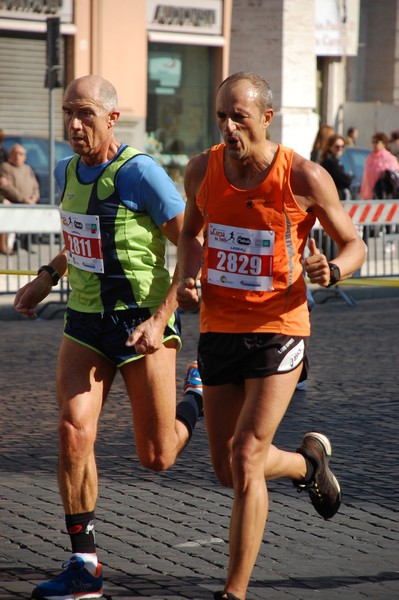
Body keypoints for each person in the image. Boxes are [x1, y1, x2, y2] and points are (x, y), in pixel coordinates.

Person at [177, 71, 366, 600]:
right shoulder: (202, 171)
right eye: (221, 116)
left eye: (239, 116)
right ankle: (308, 464)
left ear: (266, 117)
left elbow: (353, 242)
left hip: (279, 327)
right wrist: (186, 282)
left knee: (245, 454)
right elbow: (190, 236)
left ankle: (233, 592)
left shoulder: (302, 176)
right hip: (219, 326)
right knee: (226, 468)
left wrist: (336, 268)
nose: (228, 126)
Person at [13, 75, 203, 600]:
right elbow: (82, 238)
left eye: (86, 114)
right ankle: (85, 564)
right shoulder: (65, 169)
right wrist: (46, 277)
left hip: (143, 323)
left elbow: (192, 245)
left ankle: (197, 396)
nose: (74, 124)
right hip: (86, 321)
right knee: (73, 431)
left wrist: (162, 315)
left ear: (112, 118)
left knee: (157, 456)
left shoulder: (141, 174)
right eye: (69, 112)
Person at [0, 143, 40, 254]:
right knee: (10, 228)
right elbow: (8, 187)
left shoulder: (27, 168)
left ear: (25, 156)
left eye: (21, 154)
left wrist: (34, 197)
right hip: (14, 203)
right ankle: (8, 247)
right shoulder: (5, 167)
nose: (18, 156)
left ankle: (26, 245)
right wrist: (24, 199)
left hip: (29, 204)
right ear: (10, 155)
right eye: (15, 153)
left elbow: (35, 185)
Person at [360, 132, 399, 199]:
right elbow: (365, 178)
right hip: (369, 195)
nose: (374, 145)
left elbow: (394, 177)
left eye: (377, 142)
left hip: (384, 195)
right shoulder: (369, 158)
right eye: (373, 142)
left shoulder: (389, 158)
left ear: (383, 144)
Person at [320, 133, 354, 200]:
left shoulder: (335, 160)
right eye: (337, 147)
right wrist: (350, 177)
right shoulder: (330, 162)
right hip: (333, 198)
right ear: (330, 147)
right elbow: (345, 180)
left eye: (342, 146)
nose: (340, 149)